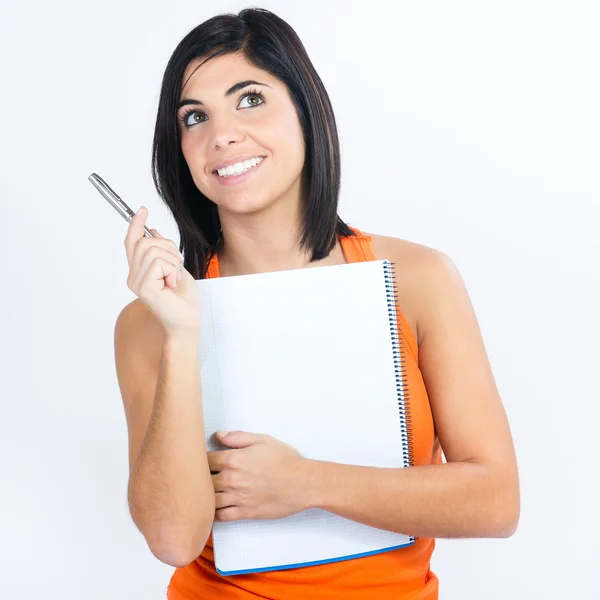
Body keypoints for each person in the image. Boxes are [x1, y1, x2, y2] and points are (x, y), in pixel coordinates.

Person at [113, 8, 520, 599]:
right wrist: (180, 335)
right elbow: (173, 539)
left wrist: (304, 483)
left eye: (249, 99)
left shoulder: (417, 280)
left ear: (306, 109)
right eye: (193, 117)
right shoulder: (148, 322)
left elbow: (496, 501)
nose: (221, 134)